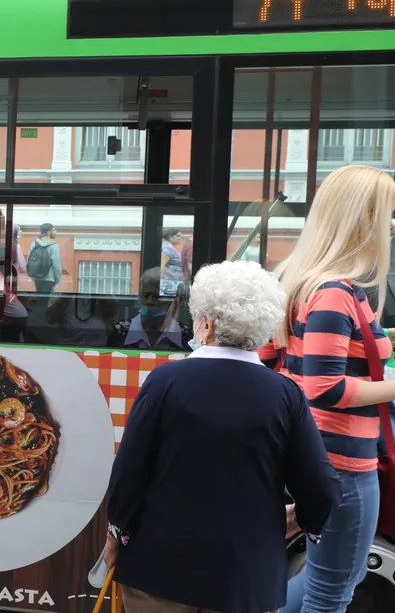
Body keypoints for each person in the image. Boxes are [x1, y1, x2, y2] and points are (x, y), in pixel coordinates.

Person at [104, 260, 337, 613]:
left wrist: (118, 532)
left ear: (207, 324)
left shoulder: (166, 381)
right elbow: (321, 486)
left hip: (159, 569)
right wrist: (298, 521)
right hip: (246, 579)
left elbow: (129, 473)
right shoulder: (285, 394)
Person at [260, 165, 395, 613]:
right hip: (344, 463)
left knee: (333, 581)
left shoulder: (302, 280)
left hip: (320, 454)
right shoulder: (338, 291)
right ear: (363, 218)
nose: (391, 224)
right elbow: (325, 386)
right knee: (331, 592)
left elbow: (292, 363)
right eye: (387, 213)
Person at [110, 268, 191, 351]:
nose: (149, 301)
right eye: (145, 296)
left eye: (157, 297)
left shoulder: (184, 334)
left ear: (170, 300)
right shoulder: (122, 331)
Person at [27, 223, 61, 293]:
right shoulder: (54, 246)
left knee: (39, 299)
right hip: (49, 279)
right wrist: (57, 279)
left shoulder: (34, 244)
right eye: (54, 230)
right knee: (46, 301)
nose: (56, 232)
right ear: (48, 233)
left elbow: (29, 260)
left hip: (37, 278)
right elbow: (56, 264)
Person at [160, 228, 186, 298]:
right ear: (170, 237)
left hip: (173, 284)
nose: (180, 238)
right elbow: (161, 266)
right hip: (169, 285)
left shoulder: (171, 248)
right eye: (177, 236)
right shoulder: (167, 249)